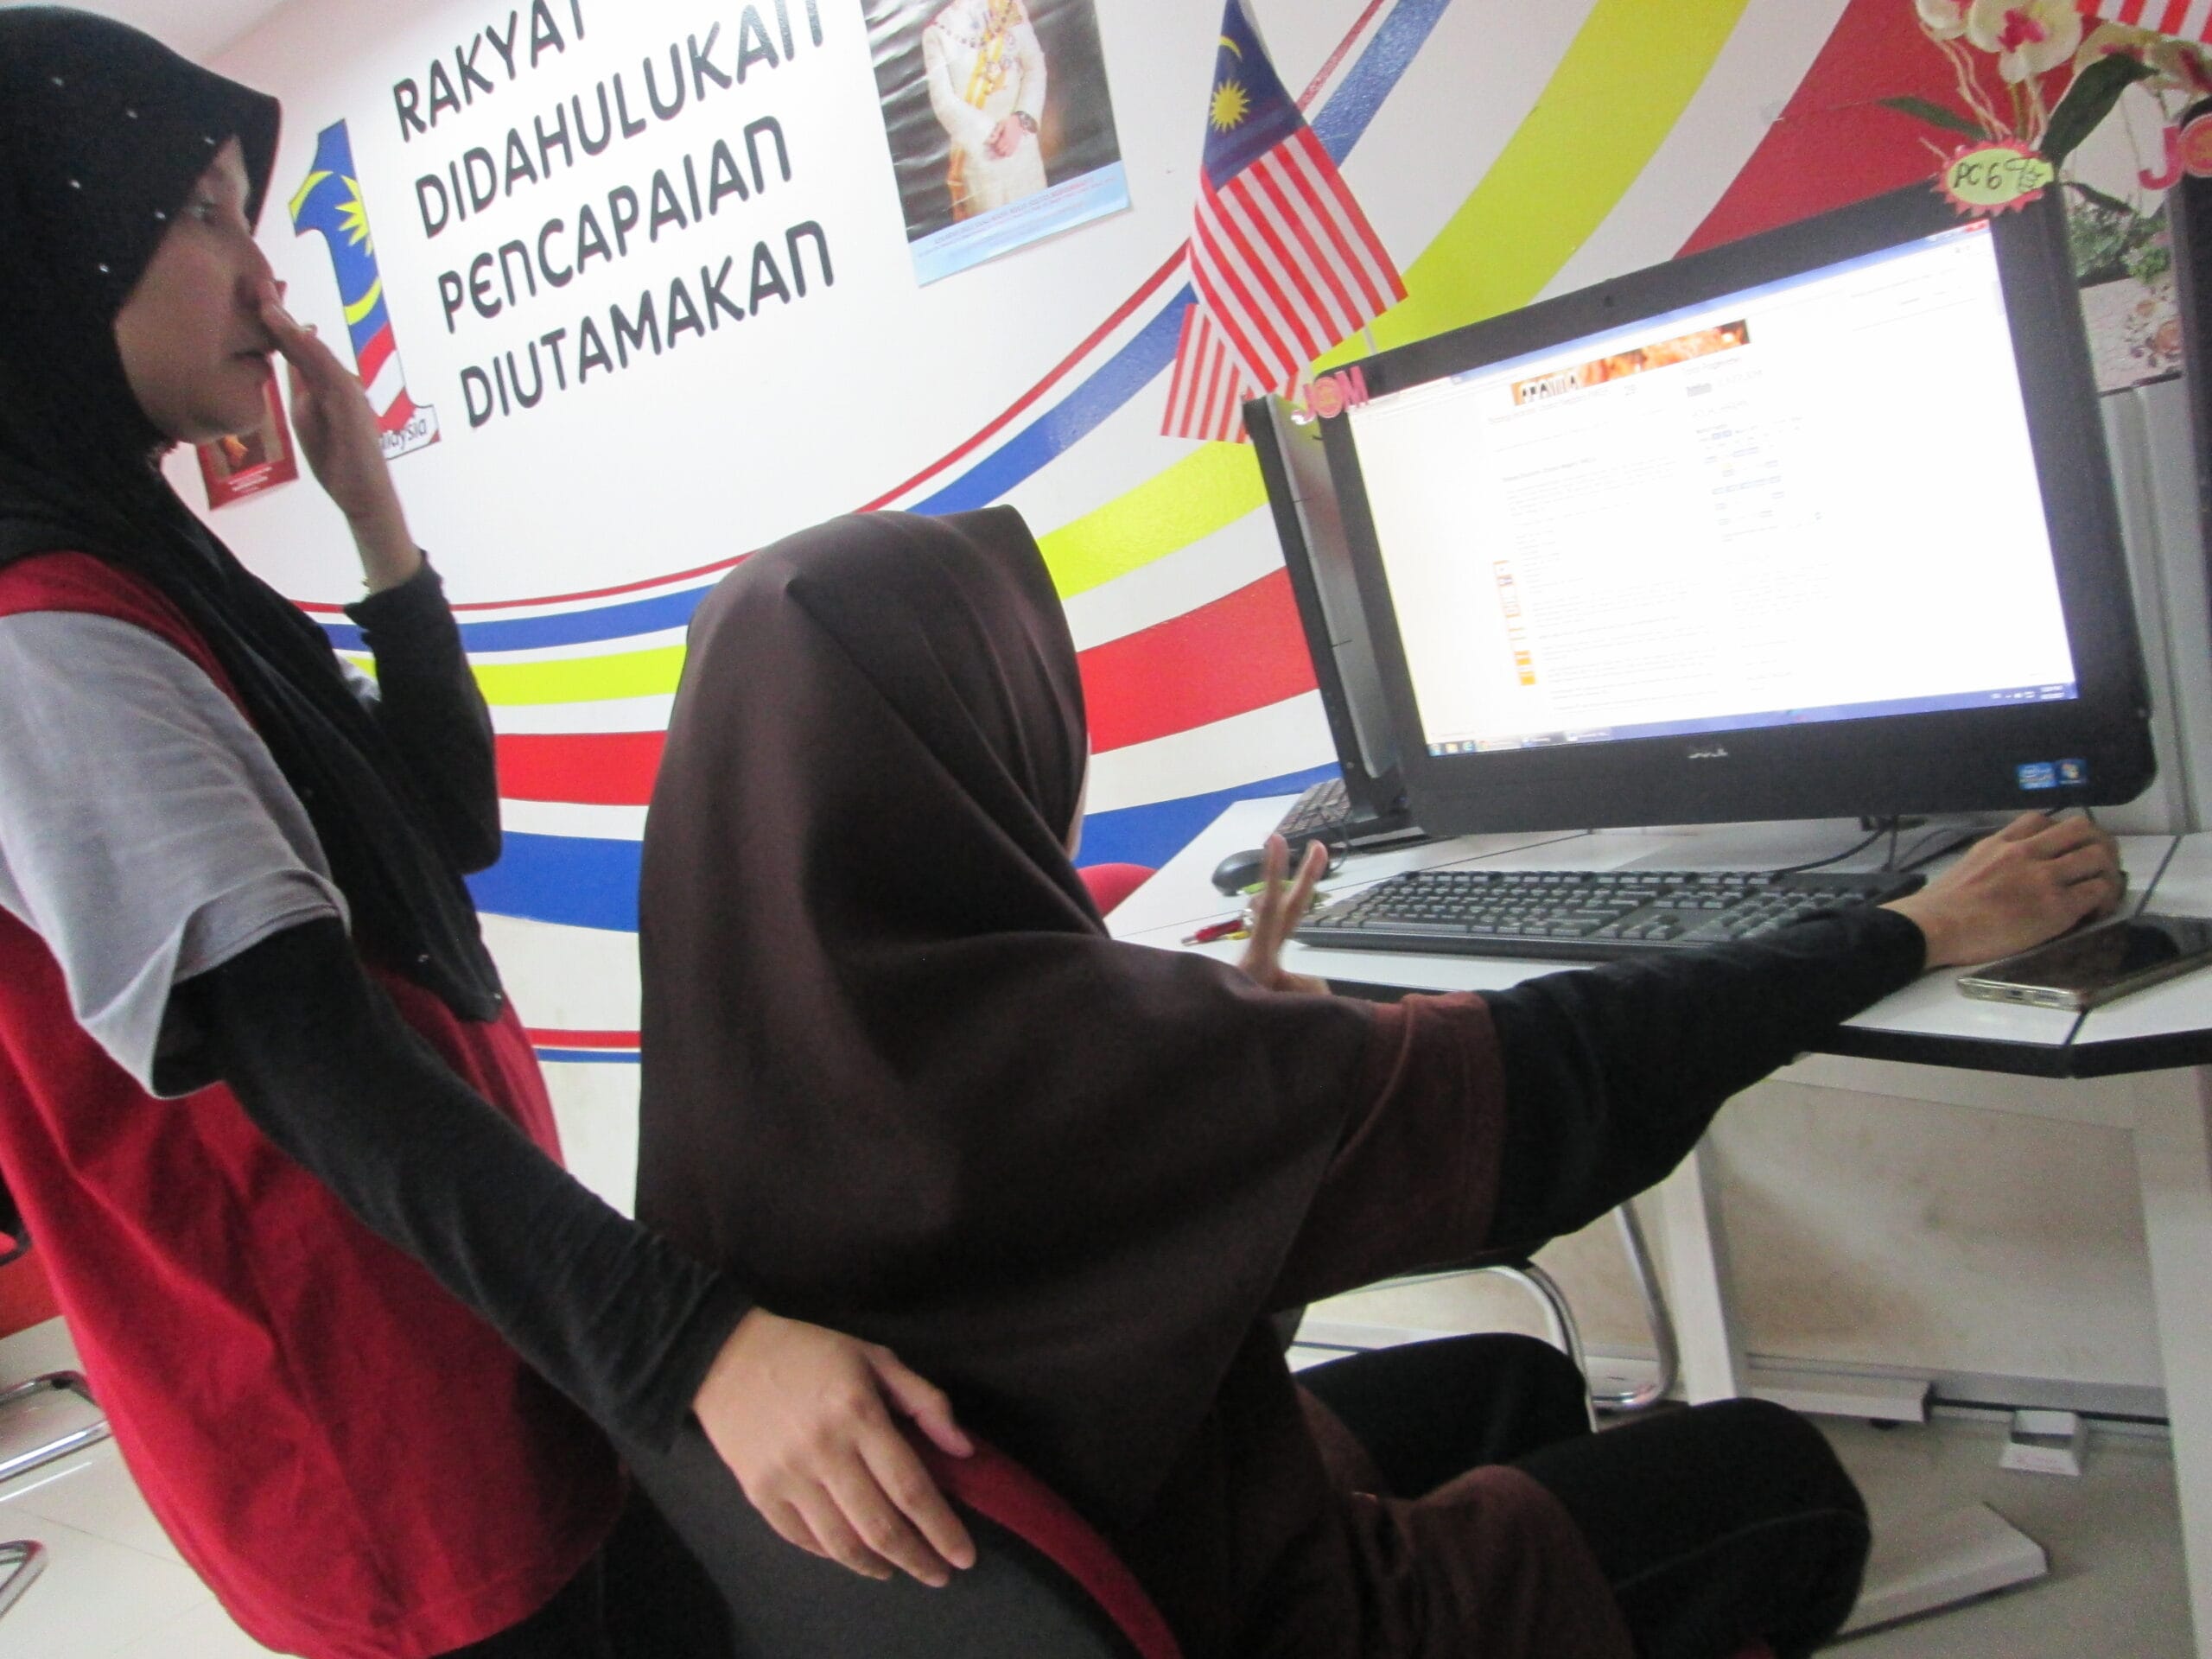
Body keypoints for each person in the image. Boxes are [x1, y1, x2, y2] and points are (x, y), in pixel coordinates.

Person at [635, 505, 2124, 1659]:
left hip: (1059, 1569)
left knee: (1517, 1382)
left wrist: (1250, 1058)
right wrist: (1914, 926)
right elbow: (1564, 1088)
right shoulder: (1090, 1053)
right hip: (1243, 1618)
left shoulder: (729, 1061)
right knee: (1779, 1482)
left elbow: (1135, 1267)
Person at [0, 12, 975, 1656]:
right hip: (372, 1426)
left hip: (480, 1313)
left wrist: (375, 520)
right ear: (51, 253)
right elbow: (315, 1061)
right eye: (201, 215)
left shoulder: (145, 567)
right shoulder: (43, 634)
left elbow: (444, 823)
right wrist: (695, 1351)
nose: (264, 280)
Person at [923, 0, 1049, 220]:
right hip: (980, 159)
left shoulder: (1009, 6)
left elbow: (1035, 66)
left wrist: (1020, 120)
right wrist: (991, 132)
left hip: (1022, 146)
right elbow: (943, 100)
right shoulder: (936, 31)